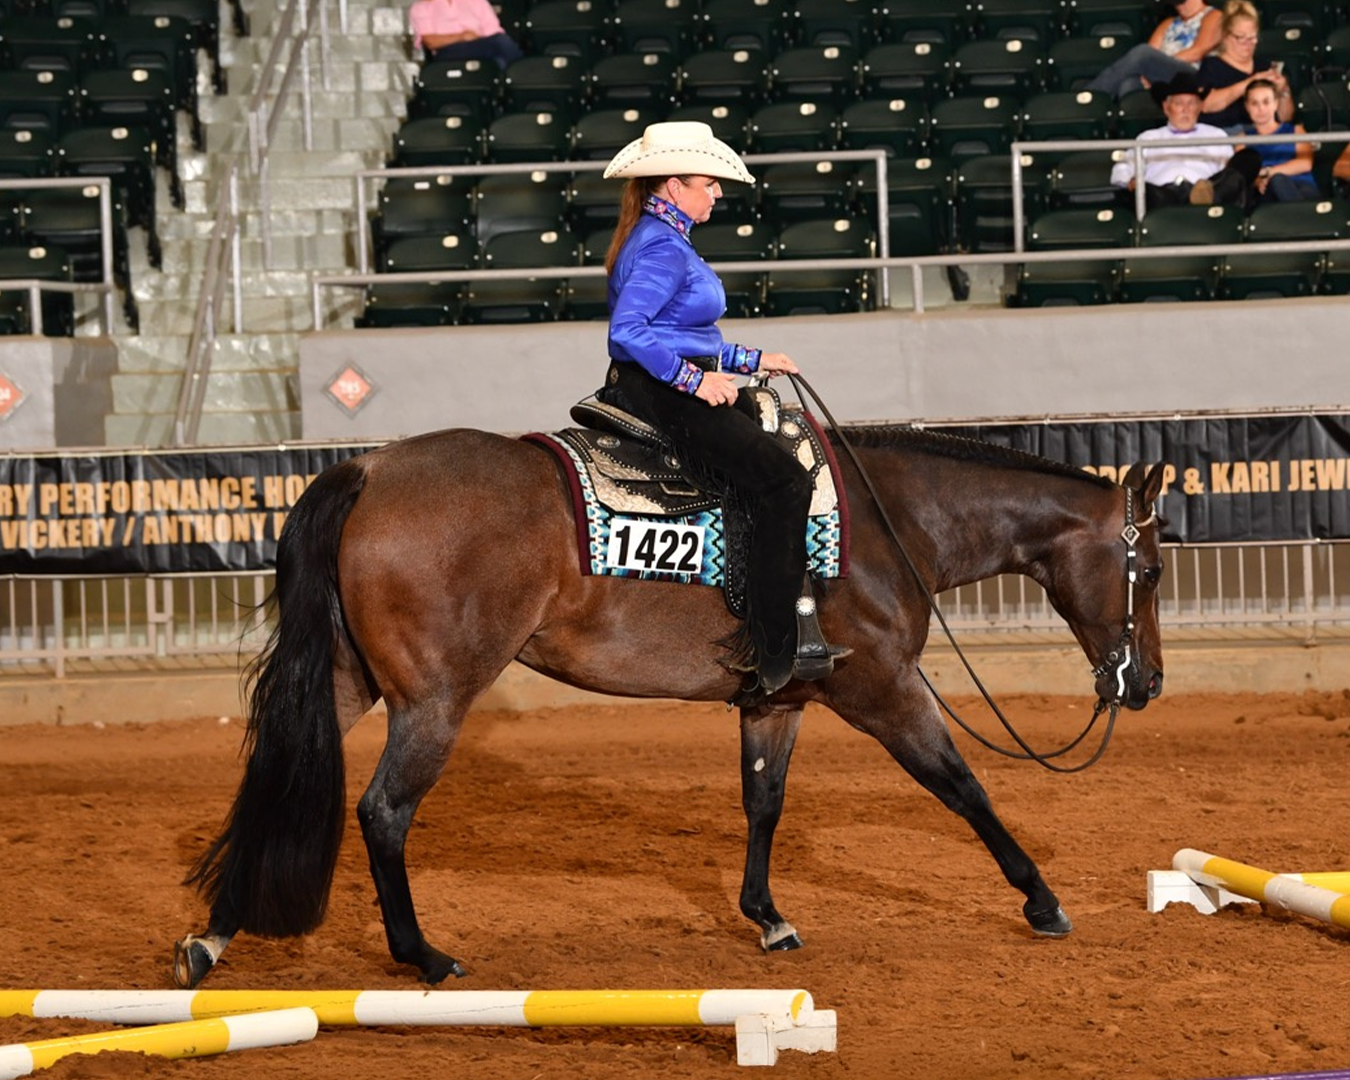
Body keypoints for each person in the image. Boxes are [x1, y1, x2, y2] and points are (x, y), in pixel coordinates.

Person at [599, 121, 848, 694]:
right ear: (670, 185)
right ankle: (775, 640)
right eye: (708, 184)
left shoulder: (661, 237)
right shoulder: (662, 245)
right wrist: (692, 380)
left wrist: (752, 357)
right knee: (786, 482)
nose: (717, 194)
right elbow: (629, 332)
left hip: (662, 383)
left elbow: (684, 330)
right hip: (660, 391)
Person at [1111, 72, 1260, 209]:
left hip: (1207, 193)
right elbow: (1122, 168)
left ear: (1200, 107)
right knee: (1148, 193)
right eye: (1178, 103)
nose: (1185, 109)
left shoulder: (1216, 135)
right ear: (1166, 107)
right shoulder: (1148, 137)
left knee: (1249, 158)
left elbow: (1229, 175)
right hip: (1162, 194)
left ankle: (1206, 196)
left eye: (1192, 103)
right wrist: (1131, 182)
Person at [1087, 0, 1222, 100]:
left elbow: (1198, 52)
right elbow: (1152, 52)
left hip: (1194, 73)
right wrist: (1149, 70)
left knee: (1142, 53)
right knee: (1129, 84)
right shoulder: (1168, 23)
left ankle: (1094, 94)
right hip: (1163, 77)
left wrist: (1158, 64)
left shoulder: (1212, 16)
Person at [1197, 0, 1294, 131]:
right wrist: (1251, 83)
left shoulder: (1265, 66)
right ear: (1225, 36)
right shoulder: (1212, 66)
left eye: (1252, 38)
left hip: (1262, 135)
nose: (1248, 43)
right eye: (1241, 37)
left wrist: (1283, 92)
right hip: (1223, 136)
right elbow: (1206, 105)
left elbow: (1285, 118)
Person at [1236, 79, 1318, 203]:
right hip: (1266, 193)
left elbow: (1305, 163)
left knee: (1278, 180)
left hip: (1302, 186)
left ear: (1276, 103)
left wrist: (1269, 173)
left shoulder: (1296, 130)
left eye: (1266, 102)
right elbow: (1244, 175)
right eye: (1254, 103)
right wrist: (1258, 181)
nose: (1261, 109)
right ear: (1247, 107)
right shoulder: (1242, 140)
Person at [408, 0, 523, 69]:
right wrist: (462, 37)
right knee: (500, 42)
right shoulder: (421, 8)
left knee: (499, 60)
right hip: (447, 52)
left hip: (481, 47)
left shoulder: (476, 2)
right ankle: (522, 73)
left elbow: (493, 30)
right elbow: (431, 42)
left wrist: (476, 40)